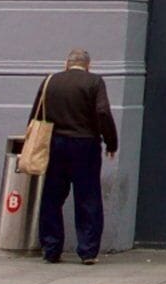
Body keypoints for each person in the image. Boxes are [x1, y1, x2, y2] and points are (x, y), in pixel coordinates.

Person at [29, 47, 118, 264]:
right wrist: (111, 142)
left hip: (55, 142)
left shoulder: (50, 81)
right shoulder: (94, 82)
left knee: (52, 196)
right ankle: (87, 250)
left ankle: (51, 248)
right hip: (85, 143)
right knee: (87, 197)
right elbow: (103, 112)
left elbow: (36, 114)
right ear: (89, 65)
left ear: (66, 63)